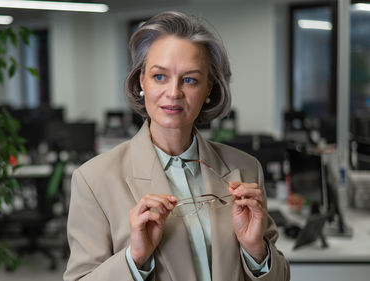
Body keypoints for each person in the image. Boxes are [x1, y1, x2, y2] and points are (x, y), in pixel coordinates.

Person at [64, 11, 290, 281]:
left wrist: (256, 251)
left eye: (190, 79)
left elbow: (280, 277)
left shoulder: (245, 168)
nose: (173, 93)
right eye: (160, 76)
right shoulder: (93, 180)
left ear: (209, 88)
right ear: (141, 81)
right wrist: (134, 260)